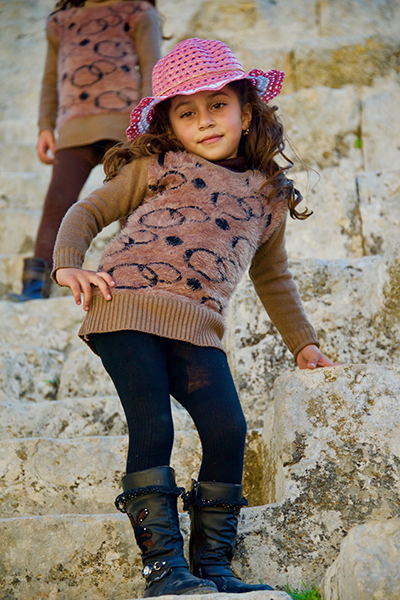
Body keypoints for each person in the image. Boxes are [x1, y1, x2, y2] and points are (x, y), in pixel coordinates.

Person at [51, 38, 337, 597]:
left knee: (229, 428)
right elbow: (87, 211)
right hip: (125, 308)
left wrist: (303, 344)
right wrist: (68, 267)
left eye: (217, 106)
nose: (204, 122)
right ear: (170, 125)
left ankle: (214, 566)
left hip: (196, 324)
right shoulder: (157, 166)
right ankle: (164, 567)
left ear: (246, 111)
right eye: (187, 113)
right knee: (153, 423)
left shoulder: (269, 195)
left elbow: (272, 277)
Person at [7, 0, 161, 301]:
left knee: (130, 202)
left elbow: (151, 70)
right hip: (73, 129)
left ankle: (135, 280)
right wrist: (45, 127)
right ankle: (35, 287)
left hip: (126, 126)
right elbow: (50, 79)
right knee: (57, 203)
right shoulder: (61, 22)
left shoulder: (139, 12)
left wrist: (148, 123)